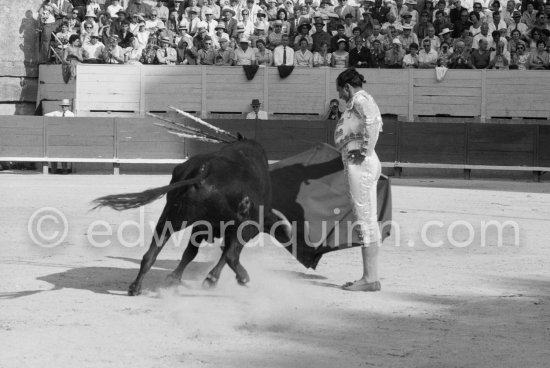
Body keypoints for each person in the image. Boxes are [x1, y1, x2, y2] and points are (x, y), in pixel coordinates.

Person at [334, 68, 382, 292]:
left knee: (365, 219)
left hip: (361, 165)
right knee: (367, 218)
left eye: (341, 92)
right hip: (361, 164)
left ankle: (369, 278)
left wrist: (364, 150)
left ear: (347, 87)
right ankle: (369, 276)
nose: (341, 97)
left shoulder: (361, 100)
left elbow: (373, 122)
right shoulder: (361, 100)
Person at [45, 99, 74, 174]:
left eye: (66, 106)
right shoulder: (56, 113)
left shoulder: (71, 115)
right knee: (54, 153)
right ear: (61, 106)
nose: (65, 107)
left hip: (65, 136)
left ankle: (64, 170)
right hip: (56, 135)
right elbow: (45, 115)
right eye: (63, 106)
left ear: (68, 107)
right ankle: (53, 170)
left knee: (63, 153)